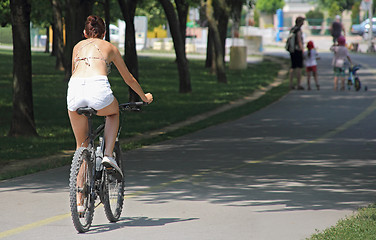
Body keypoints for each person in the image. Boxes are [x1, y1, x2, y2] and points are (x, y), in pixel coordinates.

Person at [67, 16, 153, 177]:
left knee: (81, 146)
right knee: (113, 113)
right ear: (104, 33)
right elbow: (129, 79)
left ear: (84, 33)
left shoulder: (77, 47)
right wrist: (144, 97)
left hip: (75, 89)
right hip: (97, 87)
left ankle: (79, 200)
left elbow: (74, 71)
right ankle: (108, 155)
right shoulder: (110, 47)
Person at [289, 16, 305, 90]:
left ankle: (291, 84)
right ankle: (299, 84)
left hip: (292, 50)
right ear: (300, 22)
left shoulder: (292, 29)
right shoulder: (298, 30)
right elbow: (299, 41)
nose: (303, 23)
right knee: (299, 67)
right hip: (297, 50)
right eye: (302, 21)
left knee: (292, 67)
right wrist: (302, 50)